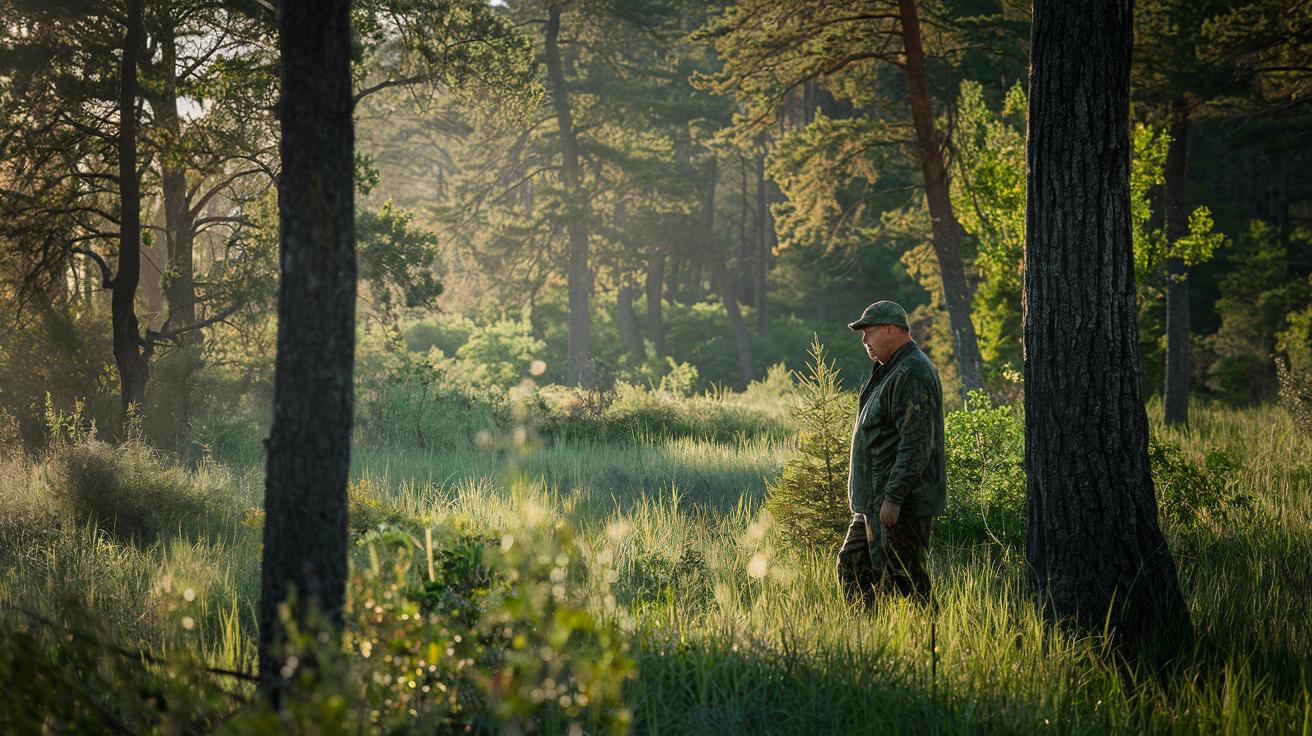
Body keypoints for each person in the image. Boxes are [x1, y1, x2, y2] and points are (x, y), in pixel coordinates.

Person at [836, 300, 946, 607]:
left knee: (906, 578)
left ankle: (931, 640)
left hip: (900, 503)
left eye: (868, 333)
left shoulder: (911, 370)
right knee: (853, 565)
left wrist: (894, 497)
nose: (864, 341)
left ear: (889, 330)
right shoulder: (890, 369)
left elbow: (916, 442)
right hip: (875, 502)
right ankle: (867, 638)